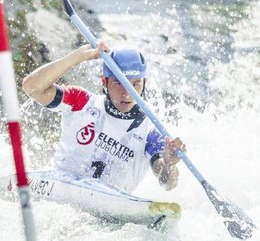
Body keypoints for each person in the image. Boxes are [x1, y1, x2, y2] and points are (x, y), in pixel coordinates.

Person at [22, 41, 186, 193]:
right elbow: (32, 87)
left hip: (105, 214)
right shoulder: (81, 102)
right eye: (118, 82)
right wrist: (79, 57)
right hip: (60, 192)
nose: (127, 93)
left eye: (135, 83)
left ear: (144, 84)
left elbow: (167, 183)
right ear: (104, 82)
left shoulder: (151, 133)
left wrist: (169, 165)